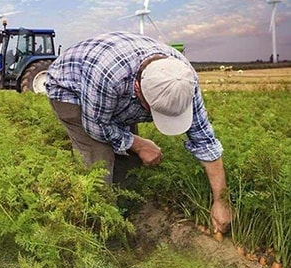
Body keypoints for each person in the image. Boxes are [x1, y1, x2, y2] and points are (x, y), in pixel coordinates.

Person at [45, 32, 231, 234]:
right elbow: (96, 127)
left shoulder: (183, 79)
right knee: (99, 162)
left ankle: (127, 214)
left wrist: (221, 201)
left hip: (114, 92)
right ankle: (100, 230)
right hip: (71, 90)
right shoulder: (109, 76)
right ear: (138, 89)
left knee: (129, 158)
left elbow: (205, 141)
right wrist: (140, 144)